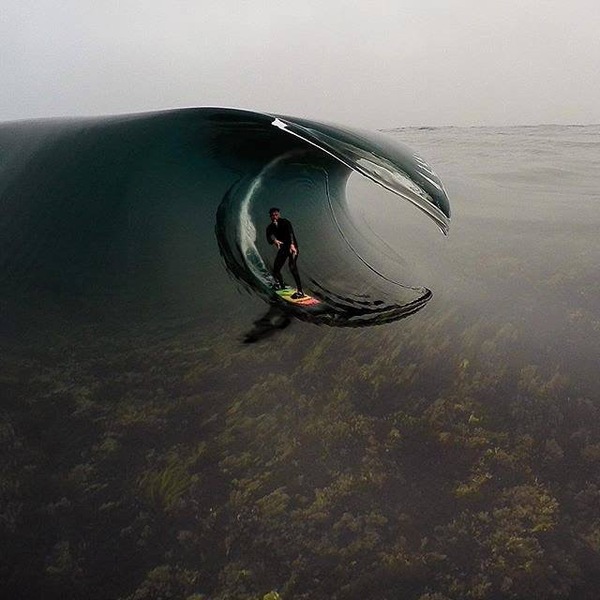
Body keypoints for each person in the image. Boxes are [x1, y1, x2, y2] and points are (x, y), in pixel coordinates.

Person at [266, 207, 304, 299]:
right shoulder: (270, 227)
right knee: (276, 268)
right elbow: (269, 238)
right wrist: (274, 241)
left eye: (276, 214)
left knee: (292, 267)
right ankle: (280, 285)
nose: (274, 216)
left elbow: (290, 232)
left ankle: (300, 292)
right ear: (270, 216)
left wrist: (292, 245)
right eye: (272, 215)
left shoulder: (285, 222)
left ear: (279, 214)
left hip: (292, 248)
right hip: (283, 249)